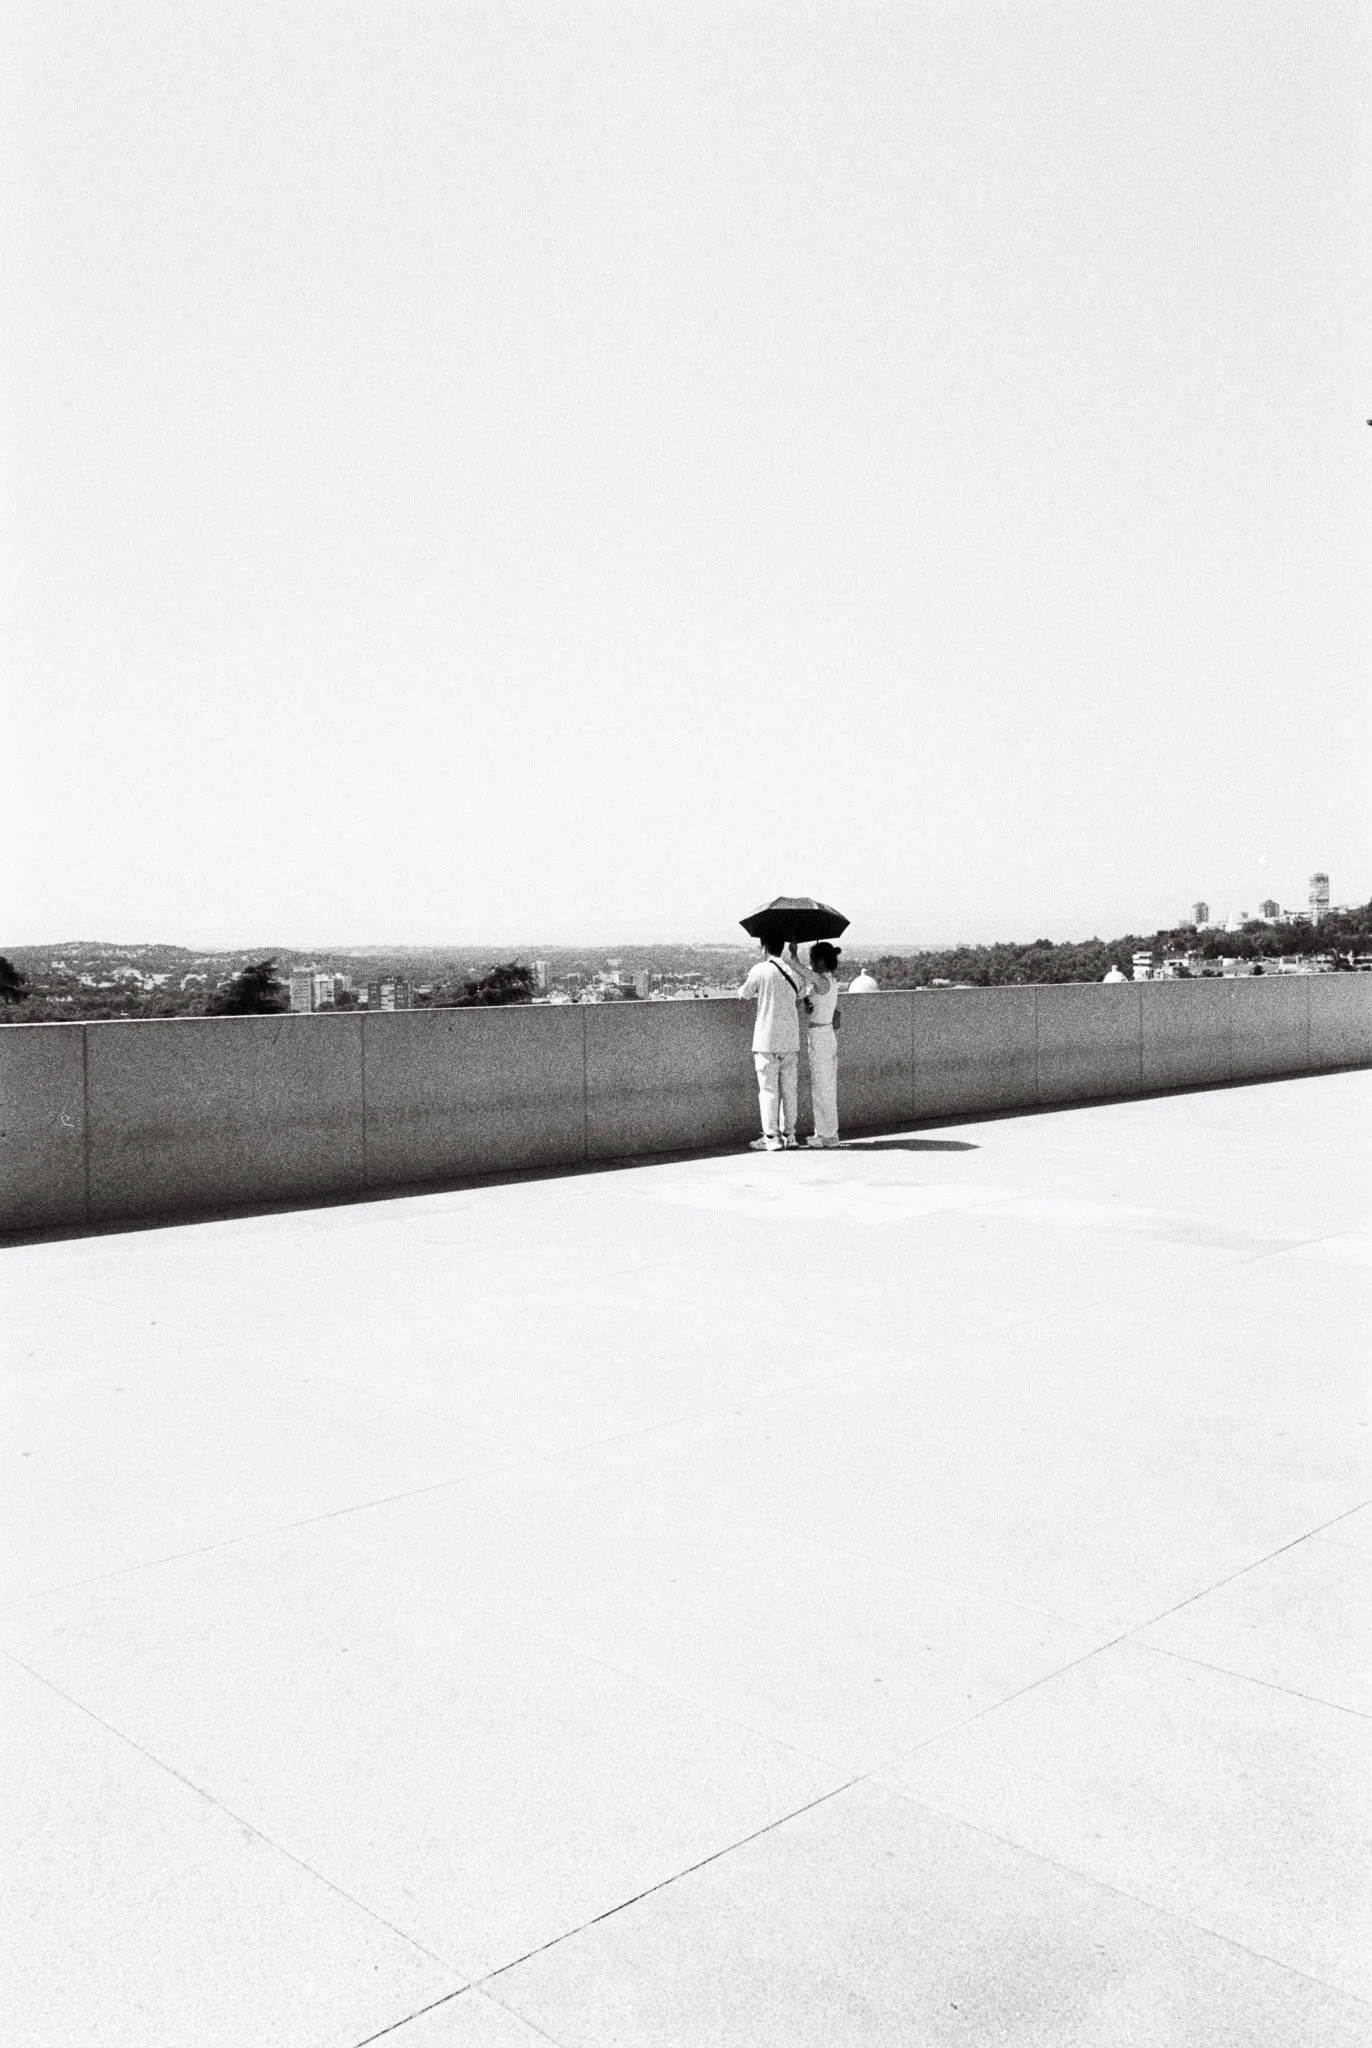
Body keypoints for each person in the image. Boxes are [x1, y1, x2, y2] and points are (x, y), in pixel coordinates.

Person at [737, 934, 808, 1150]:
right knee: (790, 1090)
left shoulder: (759, 970)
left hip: (766, 1040)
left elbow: (744, 994)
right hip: (790, 1039)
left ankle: (771, 1137)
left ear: (764, 948)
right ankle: (791, 1135)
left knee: (768, 1090)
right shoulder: (794, 971)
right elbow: (803, 993)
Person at [803, 942, 842, 1146]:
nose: (810, 964)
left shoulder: (822, 981)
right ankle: (827, 1132)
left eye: (811, 960)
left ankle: (826, 1134)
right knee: (826, 1085)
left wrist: (792, 956)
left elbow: (799, 970)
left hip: (820, 1035)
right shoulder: (830, 982)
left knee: (821, 1086)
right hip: (825, 1034)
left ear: (820, 961)